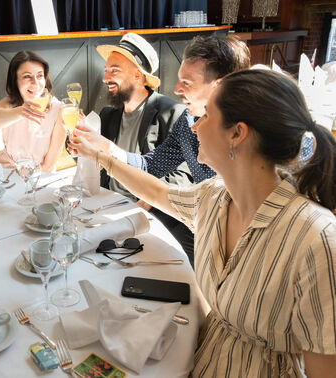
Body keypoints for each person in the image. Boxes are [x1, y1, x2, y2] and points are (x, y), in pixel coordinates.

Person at [70, 69, 336, 376]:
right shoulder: (214, 198)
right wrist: (100, 155)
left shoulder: (317, 240)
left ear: (237, 133)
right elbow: (158, 192)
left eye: (206, 116)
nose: (194, 127)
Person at [76, 35, 251, 267]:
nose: (176, 89)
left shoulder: (249, 141)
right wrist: (106, 148)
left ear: (218, 87)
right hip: (202, 228)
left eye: (186, 83)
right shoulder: (188, 123)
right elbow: (151, 166)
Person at [94, 33, 189, 196]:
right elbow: (92, 163)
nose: (105, 78)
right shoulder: (107, 114)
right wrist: (74, 139)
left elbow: (183, 178)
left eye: (114, 71)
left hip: (146, 207)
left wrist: (148, 202)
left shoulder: (173, 114)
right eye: (106, 71)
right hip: (107, 200)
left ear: (137, 75)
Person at [0, 50, 66, 172]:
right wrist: (20, 112)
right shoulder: (6, 105)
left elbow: (49, 166)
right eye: (27, 76)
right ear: (15, 81)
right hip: (6, 171)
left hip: (39, 175)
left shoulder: (59, 109)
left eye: (39, 75)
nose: (35, 83)